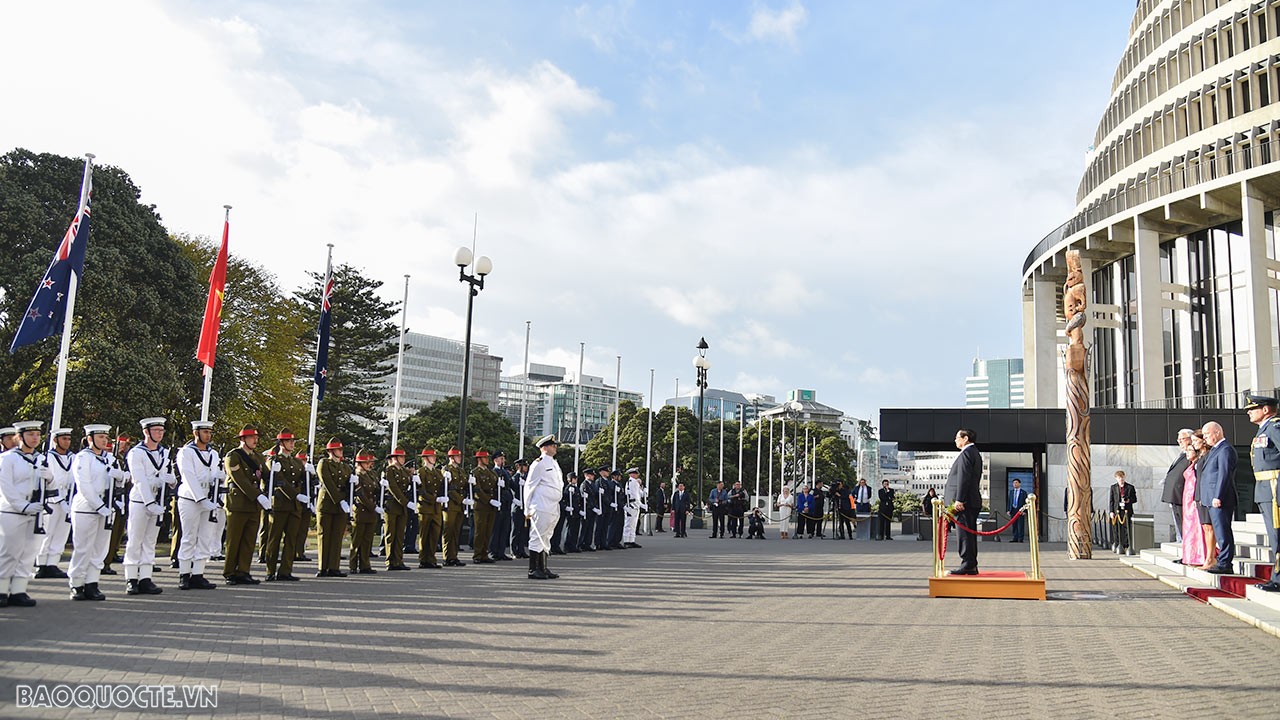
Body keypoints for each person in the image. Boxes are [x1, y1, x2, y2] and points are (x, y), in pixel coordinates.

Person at [69, 424, 127, 600]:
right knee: (83, 548)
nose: (104, 440)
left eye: (105, 437)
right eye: (100, 437)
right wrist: (99, 506)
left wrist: (121, 476)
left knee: (99, 549)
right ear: (90, 439)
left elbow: (121, 481)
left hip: (107, 508)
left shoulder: (110, 458)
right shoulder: (83, 458)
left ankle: (92, 583)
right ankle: (77, 583)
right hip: (87, 508)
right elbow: (84, 485)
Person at [122, 418, 175, 595]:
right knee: (135, 540)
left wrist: (172, 481)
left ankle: (145, 578)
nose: (160, 433)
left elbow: (168, 474)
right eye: (156, 430)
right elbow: (139, 480)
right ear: (146, 432)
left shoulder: (164, 453)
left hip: (158, 500)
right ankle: (131, 578)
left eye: (162, 430)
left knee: (150, 542)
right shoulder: (136, 453)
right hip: (141, 500)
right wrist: (149, 502)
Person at [0, 420, 48, 607]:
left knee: (29, 553)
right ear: (19, 437)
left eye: (37, 434)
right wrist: (23, 506)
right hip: (12, 511)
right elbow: (6, 487)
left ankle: (19, 590)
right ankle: (1, 590)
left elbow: (50, 487)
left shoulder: (41, 458)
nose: (35, 438)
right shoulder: (8, 458)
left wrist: (50, 478)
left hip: (35, 512)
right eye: (30, 434)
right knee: (9, 552)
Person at [176, 421, 222, 591]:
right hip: (190, 498)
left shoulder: (213, 454)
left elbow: (213, 473)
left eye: (210, 432)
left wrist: (220, 477)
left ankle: (198, 574)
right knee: (189, 536)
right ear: (196, 433)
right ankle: (184, 574)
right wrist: (201, 498)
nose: (208, 435)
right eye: (205, 432)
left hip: (208, 498)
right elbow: (188, 476)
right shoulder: (186, 452)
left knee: (205, 537)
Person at [223, 426, 268, 586]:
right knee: (234, 539)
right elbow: (240, 479)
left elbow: (266, 475)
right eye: (251, 438)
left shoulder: (258, 457)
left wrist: (275, 471)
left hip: (253, 504)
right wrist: (258, 496)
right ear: (243, 439)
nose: (255, 440)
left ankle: (243, 571)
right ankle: (230, 572)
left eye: (256, 437)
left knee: (249, 540)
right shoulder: (233, 456)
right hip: (238, 503)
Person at [1244, 394, 1280, 592]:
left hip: (1274, 488)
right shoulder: (1264, 429)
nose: (1249, 412)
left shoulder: (1274, 427)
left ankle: (1278, 578)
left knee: (1277, 535)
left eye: (1252, 409)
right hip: (1264, 489)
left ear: (1265, 410)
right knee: (1274, 536)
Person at [263, 430, 305, 581]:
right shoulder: (274, 460)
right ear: (281, 443)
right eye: (289, 441)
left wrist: (310, 474)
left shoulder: (297, 462)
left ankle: (285, 571)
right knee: (274, 538)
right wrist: (295, 495)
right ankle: (270, 570)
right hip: (280, 504)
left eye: (293, 441)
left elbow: (301, 481)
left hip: (294, 506)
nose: (292, 444)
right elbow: (279, 481)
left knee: (291, 539)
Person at [33, 427, 74, 579]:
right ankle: (41, 564)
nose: (67, 442)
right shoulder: (47, 457)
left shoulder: (73, 457)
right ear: (56, 440)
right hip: (51, 500)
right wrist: (59, 498)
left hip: (67, 500)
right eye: (64, 439)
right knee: (47, 533)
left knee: (61, 534)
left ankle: (53, 563)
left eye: (69, 439)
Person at [943, 428, 982, 575]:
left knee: (964, 535)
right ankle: (971, 564)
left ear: (965, 438)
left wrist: (959, 499)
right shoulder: (974, 452)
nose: (955, 440)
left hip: (964, 503)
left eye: (957, 437)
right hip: (970, 500)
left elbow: (964, 478)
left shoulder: (967, 453)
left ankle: (967, 563)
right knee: (969, 534)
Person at [1200, 421, 1238, 574]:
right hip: (1211, 498)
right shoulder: (1215, 450)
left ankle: (1225, 563)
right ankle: (1222, 561)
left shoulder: (1225, 449)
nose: (1204, 438)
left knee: (1222, 531)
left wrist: (1218, 495)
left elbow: (1224, 474)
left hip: (1220, 499)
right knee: (1219, 530)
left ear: (1217, 432)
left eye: (1207, 434)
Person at [524, 435, 563, 580]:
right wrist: (527, 508)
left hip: (552, 506)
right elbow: (529, 486)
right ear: (544, 448)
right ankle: (533, 569)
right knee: (537, 536)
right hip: (541, 505)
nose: (555, 447)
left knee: (546, 537)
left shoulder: (554, 463)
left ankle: (543, 567)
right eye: (552, 445)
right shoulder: (538, 464)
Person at [315, 438, 352, 578]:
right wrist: (339, 500)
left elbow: (348, 486)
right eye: (338, 449)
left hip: (341, 506)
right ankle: (322, 567)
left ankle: (334, 567)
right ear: (331, 451)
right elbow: (328, 483)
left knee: (337, 537)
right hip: (327, 504)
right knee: (324, 536)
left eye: (341, 449)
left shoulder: (346, 467)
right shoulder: (324, 463)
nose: (341, 451)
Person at [100, 434, 133, 576]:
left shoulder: (119, 459)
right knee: (107, 533)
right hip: (105, 500)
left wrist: (124, 476)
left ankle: (109, 557)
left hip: (120, 498)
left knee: (116, 531)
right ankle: (104, 561)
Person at [348, 450, 381, 574]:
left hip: (370, 511)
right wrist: (373, 507)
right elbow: (360, 495)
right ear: (359, 464)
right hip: (361, 511)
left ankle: (365, 565)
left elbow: (375, 490)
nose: (369, 464)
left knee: (367, 540)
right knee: (357, 540)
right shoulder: (356, 476)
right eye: (366, 463)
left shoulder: (370, 475)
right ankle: (353, 564)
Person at [382, 447, 413, 571]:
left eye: (404, 457)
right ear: (395, 458)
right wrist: (405, 502)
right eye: (401, 457)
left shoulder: (404, 471)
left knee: (400, 534)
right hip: (392, 505)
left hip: (402, 507)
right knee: (391, 534)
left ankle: (398, 560)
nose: (403, 459)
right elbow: (393, 488)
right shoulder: (389, 470)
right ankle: (390, 561)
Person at [1161, 429, 1194, 542]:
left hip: (1182, 494)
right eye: (1178, 440)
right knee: (1178, 521)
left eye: (1182, 439)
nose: (1180, 442)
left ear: (1190, 439)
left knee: (1183, 521)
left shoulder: (1191, 456)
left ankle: (1185, 542)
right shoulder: (1182, 454)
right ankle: (1182, 541)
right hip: (1174, 495)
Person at [414, 449, 446, 569]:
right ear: (425, 458)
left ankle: (431, 558)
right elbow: (422, 491)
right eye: (432, 456)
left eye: (434, 456)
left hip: (436, 508)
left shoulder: (437, 472)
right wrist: (435, 499)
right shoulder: (421, 472)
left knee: (434, 535)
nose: (434, 458)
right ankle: (423, 559)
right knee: (425, 534)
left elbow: (442, 487)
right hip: (425, 507)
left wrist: (448, 480)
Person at [1179, 435, 1207, 567]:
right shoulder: (1191, 464)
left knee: (1196, 527)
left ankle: (1198, 555)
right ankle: (1189, 555)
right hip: (1187, 498)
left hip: (1194, 497)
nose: (1187, 453)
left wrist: (1197, 497)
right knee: (1188, 527)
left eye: (1190, 450)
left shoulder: (1198, 464)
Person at [1191, 431, 1217, 571]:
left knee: (1209, 527)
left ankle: (1211, 558)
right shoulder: (1200, 456)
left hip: (1206, 495)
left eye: (1196, 440)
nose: (1193, 443)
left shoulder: (1209, 455)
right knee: (1205, 527)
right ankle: (1208, 557)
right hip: (1199, 494)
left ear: (1203, 441)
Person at [469, 450, 499, 564]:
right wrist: (489, 500)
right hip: (481, 505)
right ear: (479, 459)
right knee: (480, 531)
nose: (487, 460)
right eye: (485, 458)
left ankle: (484, 554)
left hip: (490, 506)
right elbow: (477, 490)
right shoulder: (475, 472)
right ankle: (477, 555)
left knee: (488, 531)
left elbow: (495, 486)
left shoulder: (491, 473)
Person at [441, 448, 468, 567]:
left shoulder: (461, 471)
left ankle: (454, 556)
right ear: (451, 458)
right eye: (457, 456)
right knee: (448, 531)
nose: (460, 458)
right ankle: (447, 557)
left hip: (459, 505)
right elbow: (449, 489)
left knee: (456, 532)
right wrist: (461, 499)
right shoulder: (446, 469)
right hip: (451, 504)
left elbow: (464, 486)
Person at [489, 450, 514, 561]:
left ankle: (501, 551)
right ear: (495, 460)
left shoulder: (505, 472)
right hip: (498, 503)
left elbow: (511, 485)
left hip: (506, 503)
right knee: (496, 529)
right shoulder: (493, 472)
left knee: (504, 529)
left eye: (503, 458)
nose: (503, 460)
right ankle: (493, 551)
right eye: (501, 458)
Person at [1108, 471, 1137, 555]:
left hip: (1127, 510)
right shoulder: (1113, 487)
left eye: (1122, 477)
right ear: (1116, 478)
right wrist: (1111, 511)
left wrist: (1128, 500)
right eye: (1119, 478)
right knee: (1117, 528)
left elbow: (1135, 499)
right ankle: (1118, 544)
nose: (1121, 479)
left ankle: (1126, 544)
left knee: (1126, 528)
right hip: (1117, 510)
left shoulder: (1130, 487)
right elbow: (1111, 500)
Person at [510, 457, 530, 559]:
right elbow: (512, 492)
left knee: (523, 530)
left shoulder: (526, 478)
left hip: (525, 508)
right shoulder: (515, 478)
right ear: (518, 466)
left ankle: (521, 550)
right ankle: (514, 550)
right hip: (517, 507)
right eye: (524, 465)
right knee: (516, 530)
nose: (526, 467)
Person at [622, 467, 644, 548]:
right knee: (629, 524)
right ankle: (627, 540)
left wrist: (643, 490)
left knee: (633, 524)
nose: (636, 475)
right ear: (631, 474)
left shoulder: (635, 482)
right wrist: (640, 504)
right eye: (635, 473)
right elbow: (634, 495)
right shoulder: (632, 482)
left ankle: (631, 540)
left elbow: (639, 494)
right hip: (631, 504)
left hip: (635, 505)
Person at [577, 467, 597, 551]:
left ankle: (587, 543)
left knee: (590, 527)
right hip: (586, 509)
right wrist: (592, 507)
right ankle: (580, 544)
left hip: (592, 509)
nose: (593, 476)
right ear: (586, 475)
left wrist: (595, 507)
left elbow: (594, 497)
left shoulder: (593, 484)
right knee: (584, 528)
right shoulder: (584, 484)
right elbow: (586, 499)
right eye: (591, 475)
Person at [561, 471, 581, 553]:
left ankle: (573, 545)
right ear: (570, 479)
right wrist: (567, 507)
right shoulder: (567, 488)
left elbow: (579, 499)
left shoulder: (576, 488)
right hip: (571, 512)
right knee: (570, 529)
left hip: (576, 511)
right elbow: (564, 499)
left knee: (575, 529)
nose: (576, 480)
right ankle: (567, 545)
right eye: (574, 478)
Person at [1008, 479, 1028, 543]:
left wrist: (1025, 511)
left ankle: (1020, 538)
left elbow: (1026, 502)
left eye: (1016, 483)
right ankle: (1015, 537)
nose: (1015, 484)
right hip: (1013, 510)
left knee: (1020, 525)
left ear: (1019, 484)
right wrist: (1008, 510)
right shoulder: (1011, 492)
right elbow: (1009, 501)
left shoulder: (1023, 492)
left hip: (1020, 510)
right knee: (1014, 524)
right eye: (1014, 483)